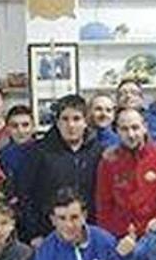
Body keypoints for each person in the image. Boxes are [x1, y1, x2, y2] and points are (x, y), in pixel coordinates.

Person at [18, 94, 103, 246]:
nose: (70, 125)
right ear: (57, 122)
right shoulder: (39, 152)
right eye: (65, 119)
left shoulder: (98, 151)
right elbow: (25, 196)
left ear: (86, 122)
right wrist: (34, 233)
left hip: (89, 233)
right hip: (48, 235)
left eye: (76, 119)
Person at [96, 107, 156, 238]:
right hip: (121, 238)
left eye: (135, 127)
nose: (131, 134)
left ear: (145, 127)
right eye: (124, 129)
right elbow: (103, 206)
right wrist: (113, 236)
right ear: (116, 131)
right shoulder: (108, 161)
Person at [0, 105, 37, 181]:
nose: (20, 130)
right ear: (7, 129)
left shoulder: (46, 154)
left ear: (33, 127)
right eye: (15, 126)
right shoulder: (1, 156)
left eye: (25, 125)